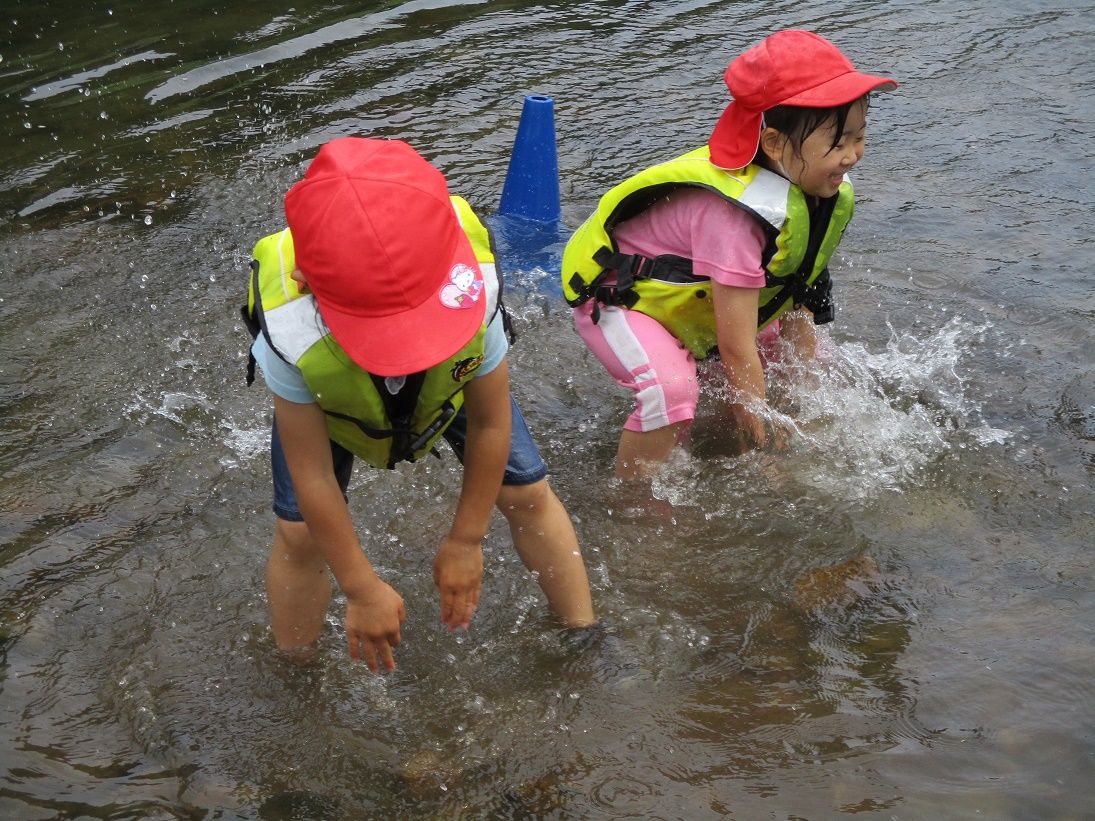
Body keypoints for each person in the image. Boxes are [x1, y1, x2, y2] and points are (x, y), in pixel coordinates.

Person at [243, 136, 596, 672]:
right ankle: (295, 672)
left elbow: (490, 422)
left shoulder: (468, 292)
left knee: (527, 491)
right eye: (379, 332)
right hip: (333, 399)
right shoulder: (294, 334)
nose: (399, 354)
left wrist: (467, 538)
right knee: (299, 533)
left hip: (449, 383)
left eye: (411, 327)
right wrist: (360, 588)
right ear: (304, 281)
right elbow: (312, 475)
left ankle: (585, 638)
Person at [561, 30, 896, 479]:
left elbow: (797, 296)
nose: (853, 155)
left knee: (814, 364)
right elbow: (738, 350)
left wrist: (806, 393)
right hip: (628, 298)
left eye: (859, 136)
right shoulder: (733, 220)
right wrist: (762, 452)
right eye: (838, 143)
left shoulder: (813, 191)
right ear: (774, 144)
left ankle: (720, 440)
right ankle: (633, 495)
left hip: (698, 295)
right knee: (673, 393)